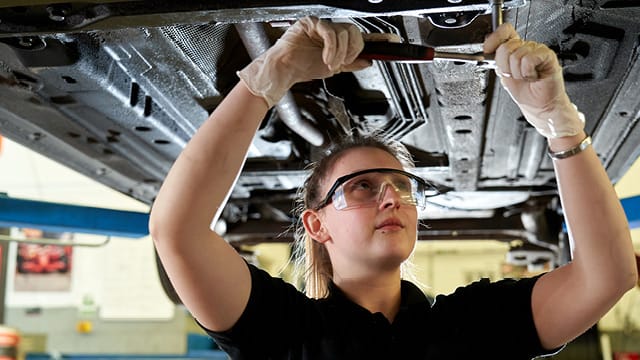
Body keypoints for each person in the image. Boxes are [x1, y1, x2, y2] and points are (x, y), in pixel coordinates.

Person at [149, 16, 638, 359]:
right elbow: (177, 230)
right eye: (361, 187)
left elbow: (606, 276)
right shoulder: (284, 333)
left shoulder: (474, 324)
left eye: (401, 186)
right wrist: (265, 81)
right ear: (316, 224)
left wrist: (561, 127)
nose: (391, 197)